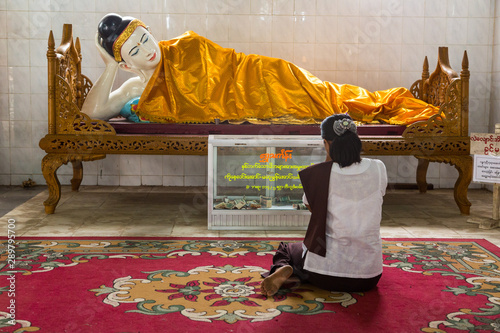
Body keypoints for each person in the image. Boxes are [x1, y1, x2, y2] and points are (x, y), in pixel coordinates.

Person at [82, 13, 439, 125]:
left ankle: (381, 103)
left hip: (260, 75)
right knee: (318, 105)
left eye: (145, 37)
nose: (148, 49)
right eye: (135, 50)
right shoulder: (132, 88)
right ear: (125, 61)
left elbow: (228, 67)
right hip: (249, 103)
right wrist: (110, 67)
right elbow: (92, 113)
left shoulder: (185, 46)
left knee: (327, 96)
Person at [260, 113, 387, 296]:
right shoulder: (378, 168)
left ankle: (287, 269)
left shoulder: (319, 174)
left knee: (286, 249)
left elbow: (313, 208)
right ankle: (293, 271)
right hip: (369, 276)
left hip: (323, 274)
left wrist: (329, 160)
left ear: (326, 143)